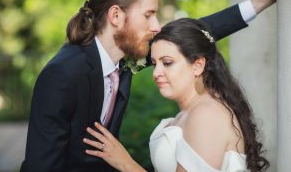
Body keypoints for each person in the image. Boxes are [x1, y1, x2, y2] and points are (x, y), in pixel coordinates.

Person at [20, 0, 276, 171]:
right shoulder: (62, 74)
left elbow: (192, 37)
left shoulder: (127, 55)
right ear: (116, 16)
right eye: (149, 15)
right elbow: (41, 165)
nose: (156, 26)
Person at [83, 18, 270, 172]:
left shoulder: (208, 114)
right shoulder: (190, 112)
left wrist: (125, 163)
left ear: (198, 65)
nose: (156, 72)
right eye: (155, 63)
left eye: (167, 62)